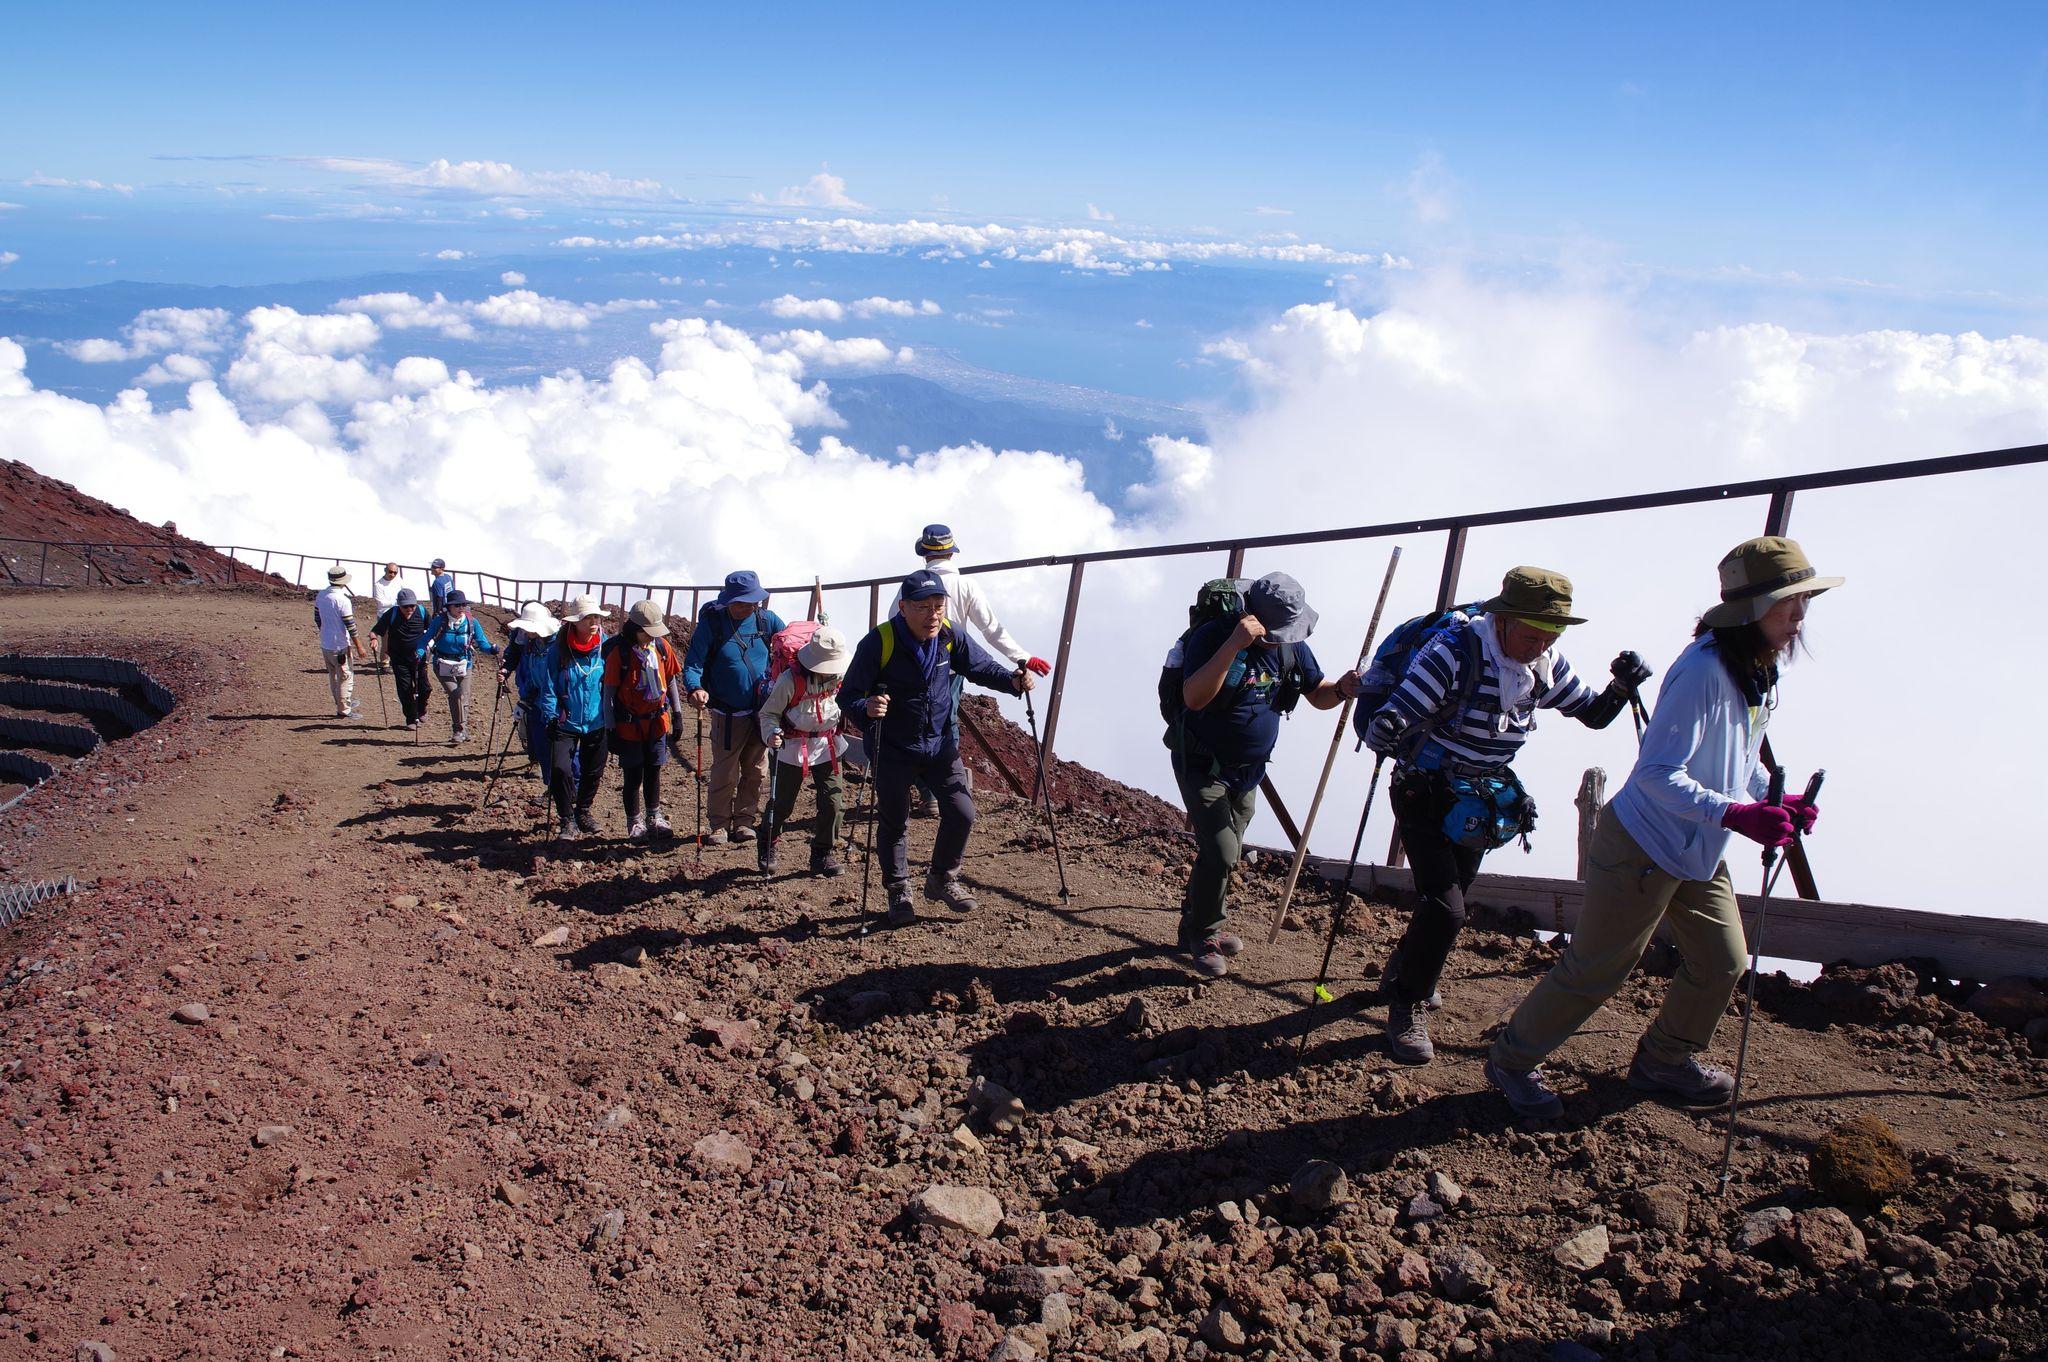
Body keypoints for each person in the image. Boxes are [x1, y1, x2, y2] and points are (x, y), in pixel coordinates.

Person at [1485, 539, 1840, 1119]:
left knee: (1724, 961)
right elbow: (1655, 774)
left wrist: (1770, 796)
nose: (1799, 618)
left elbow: (1738, 753)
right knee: (1599, 969)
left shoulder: (1754, 666)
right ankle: (1511, 1060)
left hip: (1698, 848)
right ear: (1752, 609)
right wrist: (1735, 813)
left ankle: (1664, 1060)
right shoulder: (1702, 670)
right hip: (1645, 846)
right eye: (1788, 604)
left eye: (1804, 603)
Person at [1358, 567, 1650, 1064]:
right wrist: (1385, 725)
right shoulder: (1455, 651)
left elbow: (1593, 715)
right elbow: (1402, 708)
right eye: (1532, 634)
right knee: (1447, 907)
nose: (1540, 645)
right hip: (1424, 789)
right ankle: (1406, 1007)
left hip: (1479, 796)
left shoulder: (1545, 664)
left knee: (1449, 897)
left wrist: (1622, 687)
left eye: (1550, 635)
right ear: (1501, 619)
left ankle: (1404, 972)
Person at [1170, 572, 1360, 977]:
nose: (1281, 638)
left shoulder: (1293, 648)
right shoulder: (1214, 638)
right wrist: (1235, 645)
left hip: (1248, 771)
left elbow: (1317, 694)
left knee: (1226, 853)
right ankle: (1204, 935)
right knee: (1222, 852)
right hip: (1203, 764)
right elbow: (1194, 697)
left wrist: (1342, 689)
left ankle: (1194, 923)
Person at [842, 568, 1034, 926]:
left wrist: (1012, 681)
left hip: (940, 744)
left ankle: (942, 878)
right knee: (894, 820)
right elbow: (848, 695)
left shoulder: (950, 636)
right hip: (892, 746)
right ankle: (898, 888)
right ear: (903, 607)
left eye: (938, 605)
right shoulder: (879, 643)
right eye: (923, 607)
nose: (933, 614)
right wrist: (865, 709)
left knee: (962, 812)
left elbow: (980, 667)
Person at [893, 524, 1053, 816]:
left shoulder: (911, 586)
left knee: (913, 723)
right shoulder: (966, 586)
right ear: (952, 553)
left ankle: (925, 792)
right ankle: (946, 793)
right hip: (950, 668)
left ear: (924, 554)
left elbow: (892, 622)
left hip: (912, 667)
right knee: (945, 723)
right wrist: (1023, 657)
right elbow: (991, 629)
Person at [681, 571, 786, 845]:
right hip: (727, 712)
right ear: (727, 601)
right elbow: (693, 663)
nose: (745, 607)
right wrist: (695, 688)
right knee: (724, 771)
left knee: (755, 770)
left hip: (762, 711)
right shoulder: (712, 624)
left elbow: (789, 649)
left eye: (750, 602)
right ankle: (718, 824)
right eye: (739, 602)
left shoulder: (768, 621)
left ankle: (744, 821)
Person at [756, 624, 853, 877]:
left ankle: (822, 853)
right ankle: (767, 842)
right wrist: (771, 734)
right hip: (791, 748)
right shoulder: (790, 679)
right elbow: (768, 713)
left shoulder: (844, 677)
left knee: (833, 802)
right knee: (782, 803)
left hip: (827, 746)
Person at [603, 601, 688, 840]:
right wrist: (610, 728)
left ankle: (654, 816)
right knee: (633, 774)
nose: (652, 636)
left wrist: (678, 714)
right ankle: (634, 822)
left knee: (653, 770)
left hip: (657, 722)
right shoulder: (619, 653)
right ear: (636, 629)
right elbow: (609, 693)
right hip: (629, 725)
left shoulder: (660, 646)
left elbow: (670, 680)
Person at [536, 595, 612, 840]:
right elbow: (548, 685)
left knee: (593, 770)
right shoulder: (558, 650)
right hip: (564, 721)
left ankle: (584, 811)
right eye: (587, 617)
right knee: (560, 769)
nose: (593, 622)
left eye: (596, 617)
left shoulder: (605, 646)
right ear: (574, 622)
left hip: (596, 720)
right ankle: (567, 818)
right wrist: (549, 715)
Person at [417, 589, 498, 744]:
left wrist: (492, 649)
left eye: (463, 605)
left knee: (463, 697)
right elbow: (425, 639)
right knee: (456, 694)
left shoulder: (472, 622)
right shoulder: (439, 621)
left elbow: (482, 643)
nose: (461, 608)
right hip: (442, 663)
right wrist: (419, 652)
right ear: (449, 607)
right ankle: (458, 730)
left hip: (464, 663)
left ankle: (462, 730)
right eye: (457, 605)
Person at [499, 601, 561, 779]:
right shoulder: (535, 643)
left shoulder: (557, 646)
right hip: (535, 701)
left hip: (556, 707)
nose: (524, 632)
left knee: (560, 753)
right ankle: (553, 789)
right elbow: (534, 677)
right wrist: (524, 699)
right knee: (542, 746)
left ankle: (568, 791)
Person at [372, 586, 433, 728]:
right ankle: (411, 719)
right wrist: (374, 638)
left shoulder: (422, 612)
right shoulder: (391, 613)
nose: (409, 609)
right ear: (399, 604)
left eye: (412, 605)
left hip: (419, 658)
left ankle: (421, 709)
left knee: (425, 688)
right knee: (405, 689)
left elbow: (431, 630)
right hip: (399, 659)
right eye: (405, 606)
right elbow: (376, 630)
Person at [313, 566, 369, 719]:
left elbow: (317, 618)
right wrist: (359, 645)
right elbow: (350, 625)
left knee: (333, 675)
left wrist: (325, 631)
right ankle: (344, 709)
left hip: (326, 643)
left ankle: (341, 702)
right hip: (340, 645)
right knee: (345, 675)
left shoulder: (321, 595)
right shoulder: (343, 600)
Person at [369, 562, 404, 667]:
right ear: (385, 570)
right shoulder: (379, 585)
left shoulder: (399, 581)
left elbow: (403, 593)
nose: (392, 575)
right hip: (384, 615)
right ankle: (384, 662)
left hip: (398, 613)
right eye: (390, 572)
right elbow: (381, 602)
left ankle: (395, 659)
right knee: (386, 640)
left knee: (399, 638)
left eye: (395, 573)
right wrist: (397, 602)